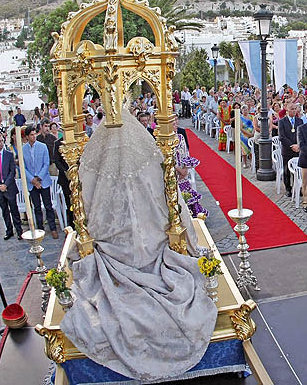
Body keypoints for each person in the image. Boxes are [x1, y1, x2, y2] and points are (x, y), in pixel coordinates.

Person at [61, 109, 215, 381]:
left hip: (111, 244)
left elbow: (85, 200)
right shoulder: (142, 145)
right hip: (148, 242)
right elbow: (168, 198)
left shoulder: (100, 149)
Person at [22, 125, 59, 239]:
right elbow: (23, 166)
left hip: (43, 181)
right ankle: (40, 229)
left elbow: (46, 163)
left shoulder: (42, 147)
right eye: (31, 135)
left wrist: (39, 178)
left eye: (35, 134)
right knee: (37, 207)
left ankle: (53, 228)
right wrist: (32, 179)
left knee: (48, 206)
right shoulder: (23, 149)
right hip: (32, 182)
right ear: (27, 136)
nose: (34, 137)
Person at [0, 133, 23, 240]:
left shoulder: (9, 155)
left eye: (2, 141)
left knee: (14, 209)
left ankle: (19, 231)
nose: (1, 143)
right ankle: (9, 230)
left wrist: (6, 184)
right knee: (4, 210)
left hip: (9, 187)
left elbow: (12, 171)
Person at [175, 133, 208, 217]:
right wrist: (179, 170)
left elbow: (186, 154)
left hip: (183, 170)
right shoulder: (163, 139)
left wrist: (185, 169)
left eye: (175, 121)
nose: (175, 124)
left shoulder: (180, 136)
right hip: (174, 172)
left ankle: (191, 213)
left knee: (187, 194)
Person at [278, 103, 303, 197]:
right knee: (287, 170)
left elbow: (302, 134)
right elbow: (282, 137)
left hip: (298, 149)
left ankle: (299, 187)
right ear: (287, 110)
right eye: (292, 109)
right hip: (287, 149)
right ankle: (288, 188)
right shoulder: (282, 121)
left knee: (298, 170)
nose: (294, 110)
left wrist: (298, 145)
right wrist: (292, 146)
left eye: (295, 109)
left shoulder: (299, 121)